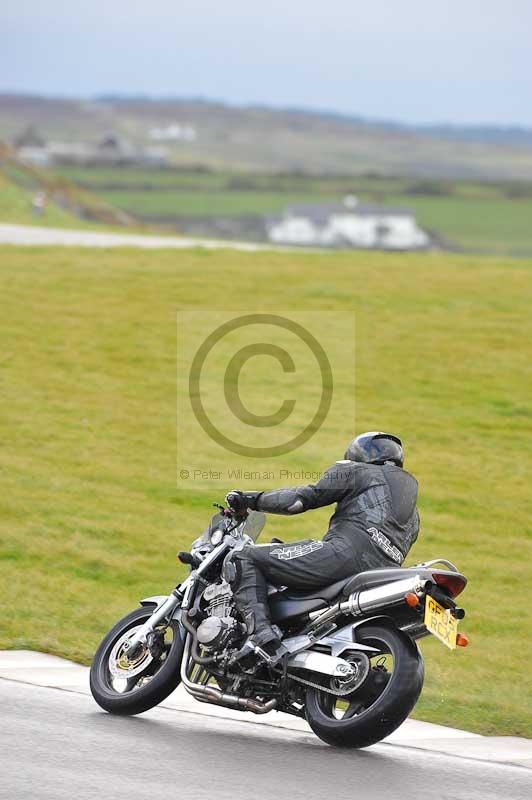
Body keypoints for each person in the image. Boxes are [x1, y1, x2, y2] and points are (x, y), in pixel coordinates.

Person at [224, 431, 420, 665]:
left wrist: (252, 500)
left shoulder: (358, 471)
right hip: (379, 575)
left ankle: (260, 638)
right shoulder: (414, 516)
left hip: (343, 556)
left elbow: (298, 501)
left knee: (244, 558)